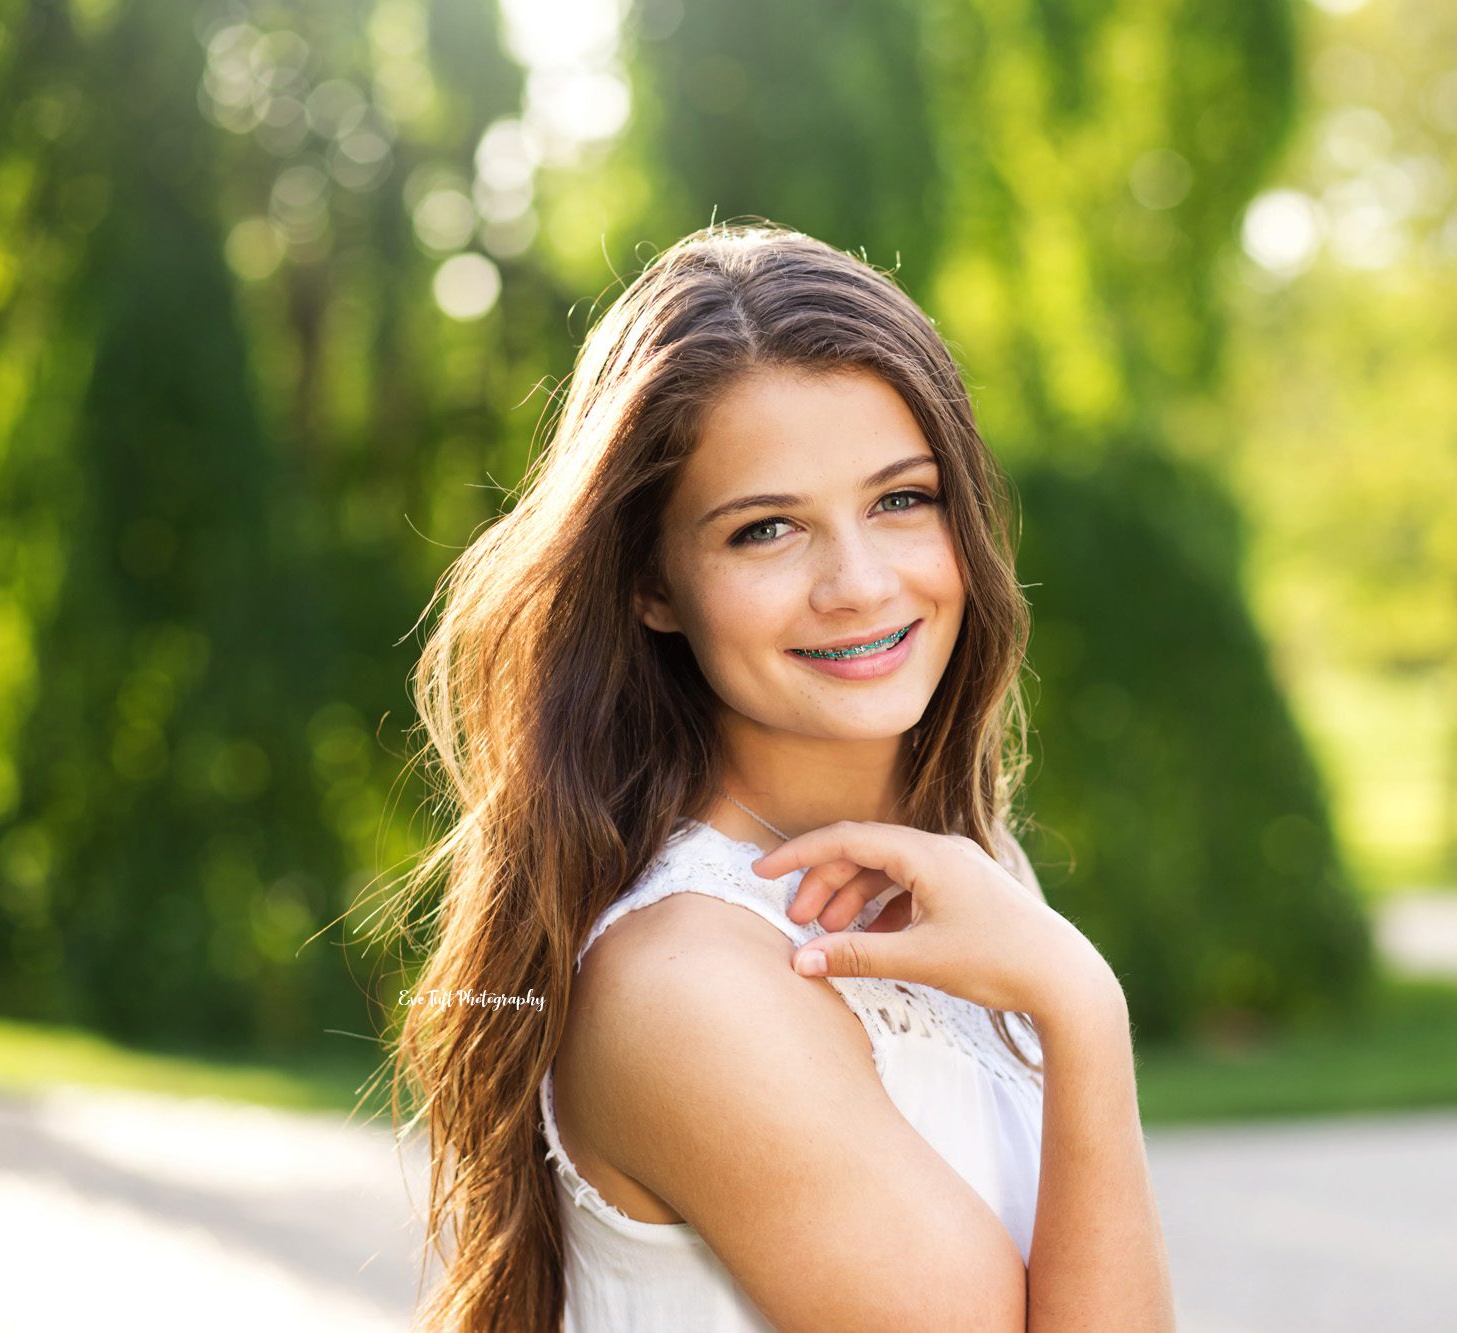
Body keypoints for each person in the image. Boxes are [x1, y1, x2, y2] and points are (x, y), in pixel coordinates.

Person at [391, 222, 1175, 1331]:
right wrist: (1083, 1006)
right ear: (652, 585)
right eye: (765, 529)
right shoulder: (693, 985)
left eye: (901, 499)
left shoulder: (966, 871)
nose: (856, 584)